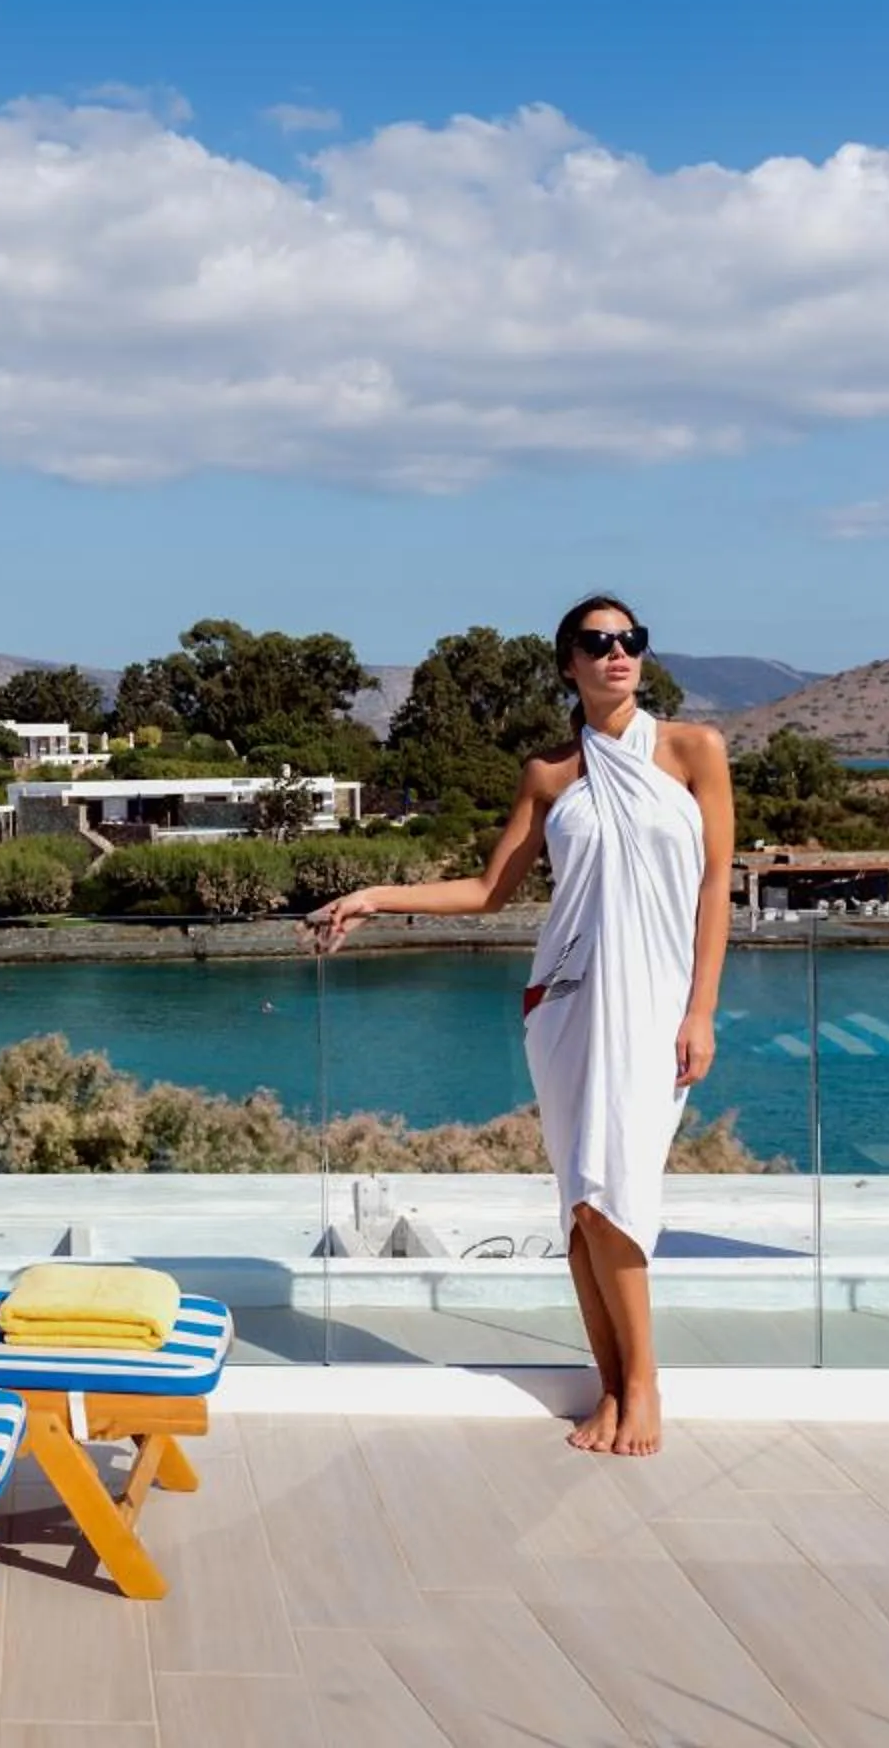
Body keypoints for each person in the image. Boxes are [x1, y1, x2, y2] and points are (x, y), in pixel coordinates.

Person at [306, 594, 731, 1457]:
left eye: (630, 641)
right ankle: (608, 1388)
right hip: (568, 1005)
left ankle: (644, 1385)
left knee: (621, 1192)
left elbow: (716, 884)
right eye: (596, 643)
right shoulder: (550, 773)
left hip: (654, 1008)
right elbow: (487, 892)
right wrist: (376, 896)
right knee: (581, 1199)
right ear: (567, 663)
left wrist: (701, 1009)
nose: (617, 654)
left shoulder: (695, 751)